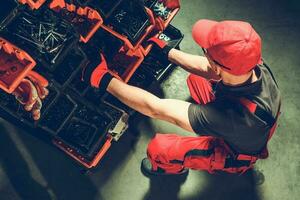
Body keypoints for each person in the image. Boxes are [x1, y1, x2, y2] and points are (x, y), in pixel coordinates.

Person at [83, 17, 281, 175]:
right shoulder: (251, 63)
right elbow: (212, 69)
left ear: (219, 65)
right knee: (196, 80)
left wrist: (103, 79)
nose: (205, 54)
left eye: (206, 52)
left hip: (234, 152)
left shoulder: (234, 118)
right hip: (250, 125)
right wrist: (167, 52)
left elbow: (155, 108)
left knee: (159, 149)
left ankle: (167, 168)